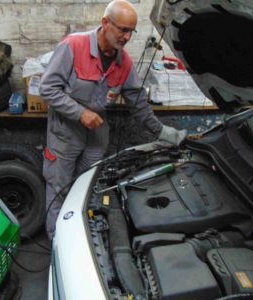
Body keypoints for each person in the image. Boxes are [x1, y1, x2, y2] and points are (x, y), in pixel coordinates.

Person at [39, 0, 187, 240]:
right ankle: (57, 240)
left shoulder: (124, 63)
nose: (127, 37)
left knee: (86, 188)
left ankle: (81, 238)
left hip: (96, 137)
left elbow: (138, 104)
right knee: (59, 188)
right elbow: (47, 89)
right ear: (105, 23)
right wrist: (80, 113)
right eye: (122, 29)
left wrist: (163, 133)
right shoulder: (73, 47)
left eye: (131, 31)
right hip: (65, 135)